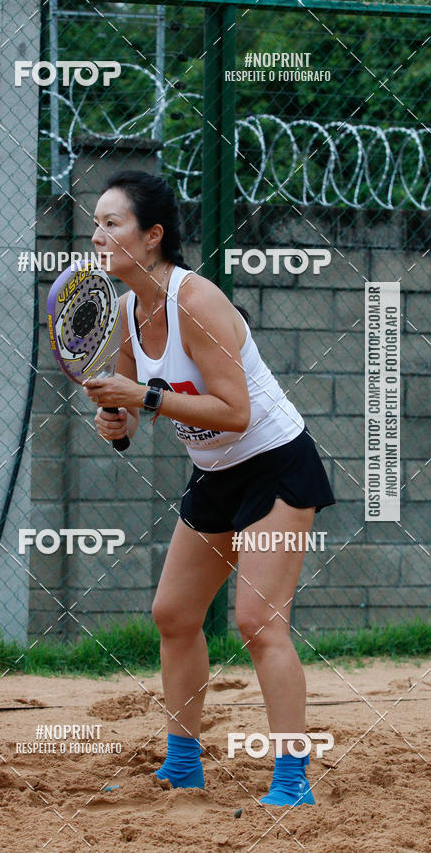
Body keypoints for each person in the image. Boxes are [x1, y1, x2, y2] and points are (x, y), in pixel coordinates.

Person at [83, 170, 335, 806]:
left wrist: (143, 398)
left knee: (258, 623)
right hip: (216, 474)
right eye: (95, 224)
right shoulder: (127, 311)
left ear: (152, 236)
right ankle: (183, 762)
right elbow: (130, 412)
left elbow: (235, 412)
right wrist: (117, 420)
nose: (98, 236)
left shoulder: (195, 301)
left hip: (276, 465)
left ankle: (291, 780)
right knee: (173, 615)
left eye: (112, 223)